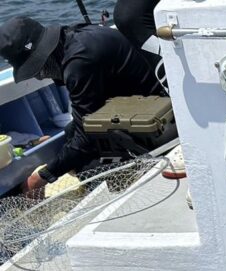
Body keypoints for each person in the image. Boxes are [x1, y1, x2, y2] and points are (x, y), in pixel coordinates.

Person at [0, 16, 165, 192]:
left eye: (36, 69)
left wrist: (42, 177)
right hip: (137, 101)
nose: (38, 76)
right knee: (69, 132)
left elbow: (86, 138)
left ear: (43, 56)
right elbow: (82, 125)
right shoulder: (75, 35)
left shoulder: (79, 64)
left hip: (156, 122)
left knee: (90, 169)